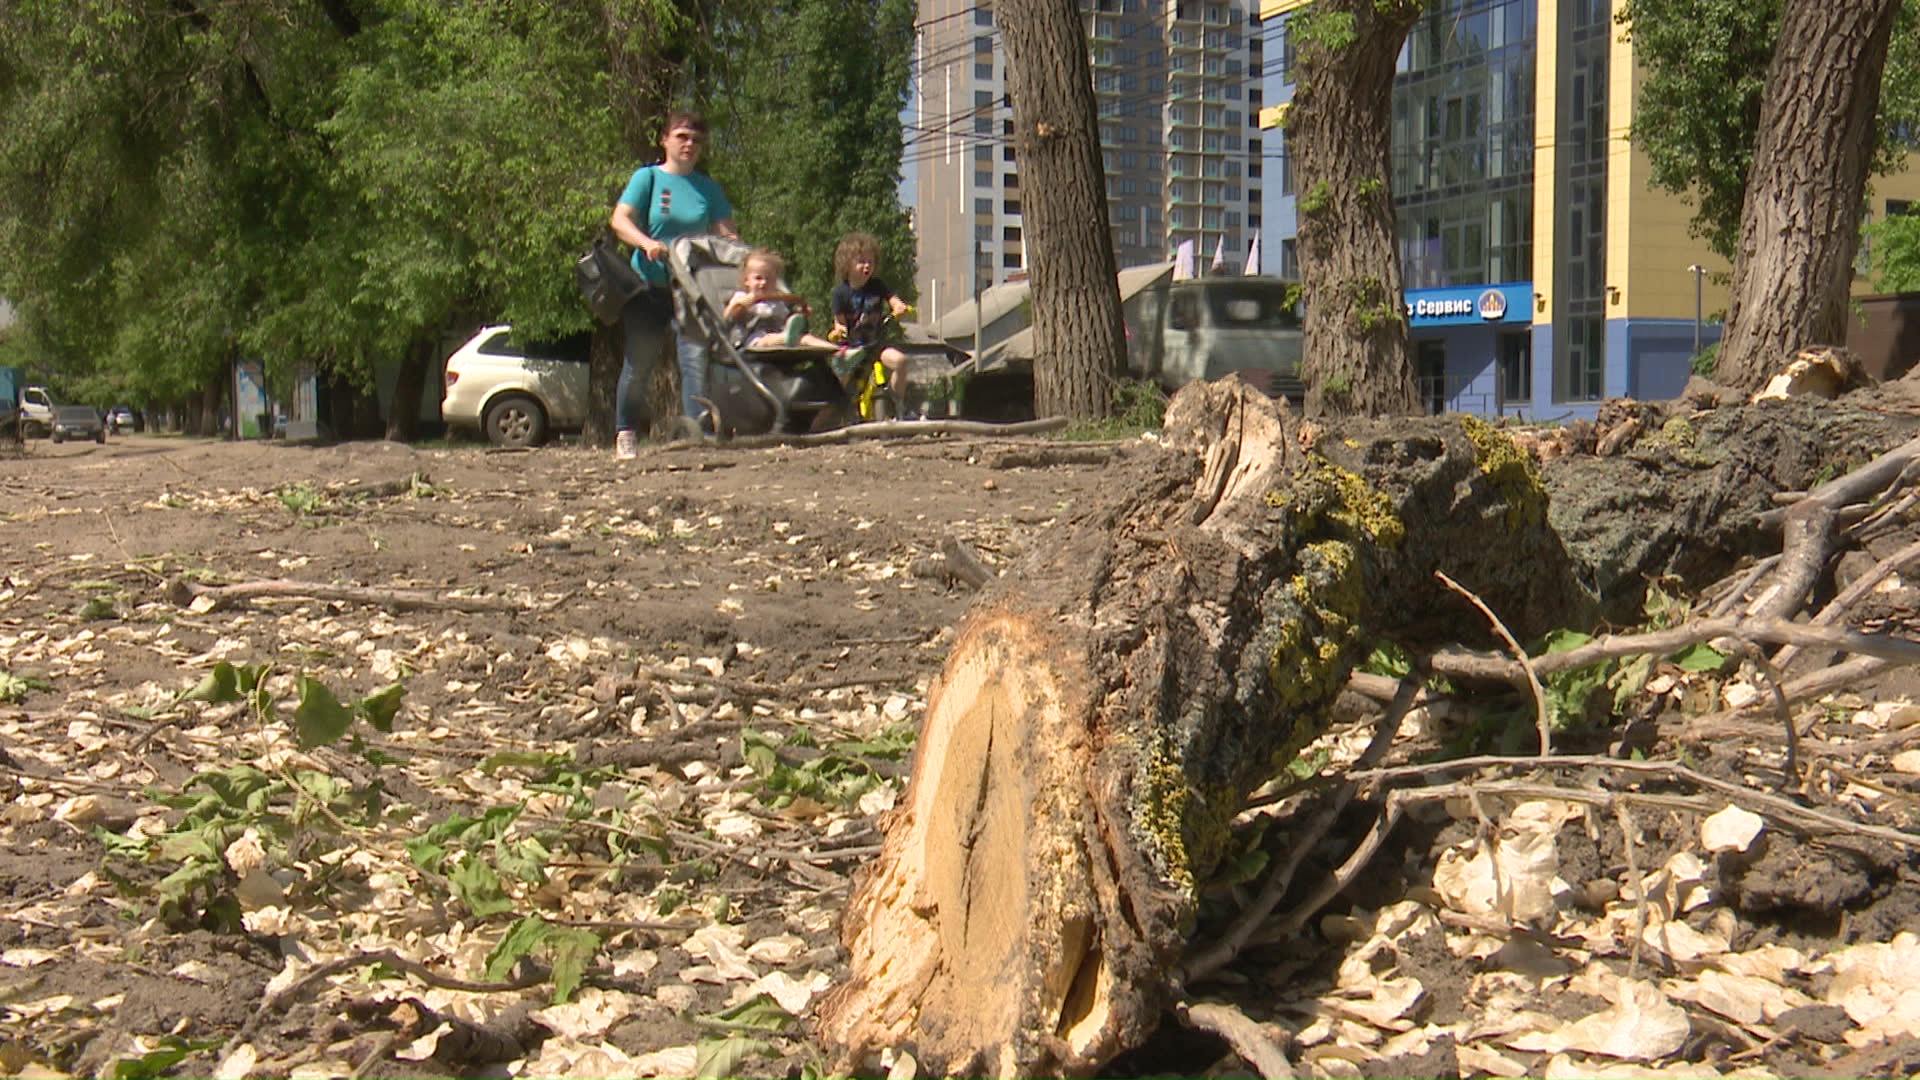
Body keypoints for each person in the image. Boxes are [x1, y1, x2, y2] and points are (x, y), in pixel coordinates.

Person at [608, 110, 739, 458]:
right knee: (639, 364)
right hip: (649, 286)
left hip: (692, 290)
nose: (689, 144)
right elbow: (620, 220)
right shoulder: (647, 178)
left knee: (695, 360)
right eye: (682, 136)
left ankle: (696, 434)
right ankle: (626, 433)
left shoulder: (708, 188)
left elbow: (727, 235)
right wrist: (645, 243)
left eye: (696, 139)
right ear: (665, 140)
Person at [829, 233, 913, 414]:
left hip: (876, 346)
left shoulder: (877, 285)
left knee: (901, 361)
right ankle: (834, 413)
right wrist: (839, 330)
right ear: (847, 264)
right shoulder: (840, 293)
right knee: (839, 380)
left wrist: (899, 306)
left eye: (871, 261)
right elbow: (839, 323)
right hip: (852, 348)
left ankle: (897, 404)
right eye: (861, 261)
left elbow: (893, 299)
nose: (867, 265)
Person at [722, 249, 844, 352]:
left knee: (805, 338)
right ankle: (788, 337)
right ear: (746, 281)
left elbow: (787, 319)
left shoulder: (778, 302)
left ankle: (839, 352)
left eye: (769, 279)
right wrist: (739, 306)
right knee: (777, 338)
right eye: (758, 278)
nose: (763, 282)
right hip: (754, 340)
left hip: (780, 334)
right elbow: (727, 317)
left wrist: (802, 313)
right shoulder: (742, 296)